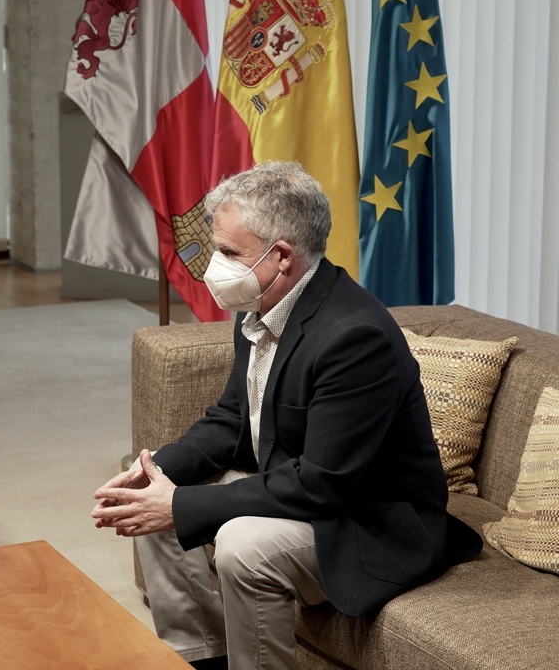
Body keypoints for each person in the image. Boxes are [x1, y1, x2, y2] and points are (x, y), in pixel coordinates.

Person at [91, 161, 482, 670]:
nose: (214, 265)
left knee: (239, 542)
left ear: (281, 257)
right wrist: (158, 472)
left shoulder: (353, 338)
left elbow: (321, 484)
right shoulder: (259, 304)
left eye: (230, 253)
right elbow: (231, 418)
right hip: (295, 484)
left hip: (368, 520)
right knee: (156, 499)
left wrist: (183, 504)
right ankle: (203, 657)